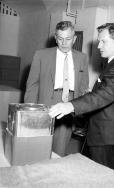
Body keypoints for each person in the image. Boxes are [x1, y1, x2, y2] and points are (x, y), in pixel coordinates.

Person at [49, 23, 114, 170]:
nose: (99, 46)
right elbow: (105, 93)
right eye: (98, 41)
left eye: (103, 41)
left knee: (104, 177)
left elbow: (105, 95)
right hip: (100, 131)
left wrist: (70, 105)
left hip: (107, 134)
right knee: (90, 171)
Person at [24, 21, 89, 157]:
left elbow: (83, 86)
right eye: (60, 39)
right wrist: (30, 111)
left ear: (75, 38)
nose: (64, 43)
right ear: (55, 37)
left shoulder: (82, 58)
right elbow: (32, 85)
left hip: (68, 106)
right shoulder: (41, 55)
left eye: (68, 39)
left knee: (59, 151)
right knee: (38, 148)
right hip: (45, 103)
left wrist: (80, 109)